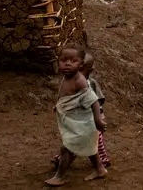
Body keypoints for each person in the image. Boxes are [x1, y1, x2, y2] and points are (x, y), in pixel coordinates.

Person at [46, 47, 107, 186]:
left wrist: (98, 119)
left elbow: (93, 100)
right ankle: (100, 169)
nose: (67, 64)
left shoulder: (79, 81)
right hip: (75, 121)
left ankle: (59, 176)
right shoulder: (66, 77)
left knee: (67, 148)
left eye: (73, 61)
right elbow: (68, 97)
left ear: (80, 65)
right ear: (58, 61)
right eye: (64, 60)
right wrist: (59, 105)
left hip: (83, 122)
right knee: (90, 145)